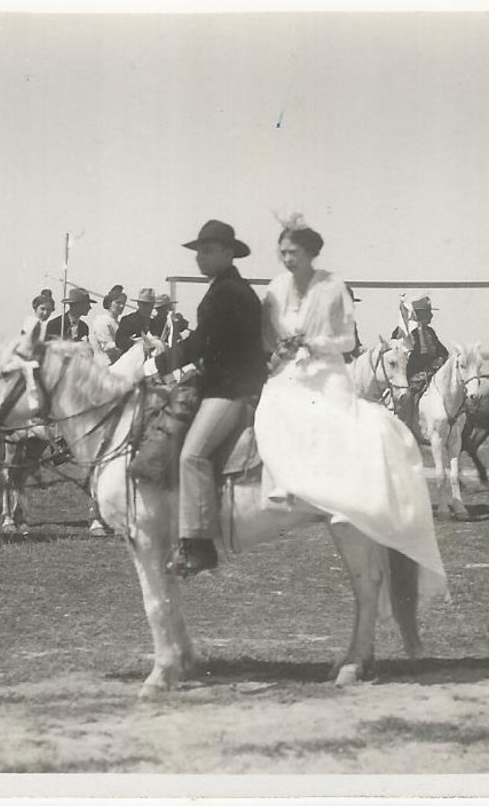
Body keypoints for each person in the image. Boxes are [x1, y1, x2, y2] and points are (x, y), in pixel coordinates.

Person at [253, 222, 448, 602]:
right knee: (268, 403)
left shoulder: (333, 289)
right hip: (289, 367)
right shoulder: (277, 289)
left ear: (310, 254)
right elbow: (267, 336)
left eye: (294, 251)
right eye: (283, 252)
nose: (287, 258)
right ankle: (280, 485)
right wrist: (281, 348)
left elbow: (347, 341)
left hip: (327, 366)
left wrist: (314, 342)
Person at [140, 220, 268, 576]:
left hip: (231, 391)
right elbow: (213, 347)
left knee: (191, 455)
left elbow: (201, 342)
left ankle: (198, 547)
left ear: (228, 253)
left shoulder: (229, 291)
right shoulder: (225, 288)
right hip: (220, 383)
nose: (201, 257)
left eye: (208, 250)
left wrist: (155, 365)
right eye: (198, 251)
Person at [390, 296, 450, 431]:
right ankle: (405, 429)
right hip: (410, 376)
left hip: (431, 375)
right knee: (407, 398)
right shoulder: (403, 331)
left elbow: (443, 352)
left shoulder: (430, 332)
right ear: (419, 314)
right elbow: (396, 354)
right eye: (428, 312)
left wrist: (440, 360)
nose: (432, 315)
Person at [115, 288, 159, 352]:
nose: (146, 308)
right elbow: (119, 342)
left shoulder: (155, 324)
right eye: (143, 305)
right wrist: (136, 342)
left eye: (149, 305)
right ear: (138, 304)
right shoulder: (128, 321)